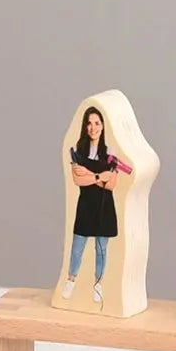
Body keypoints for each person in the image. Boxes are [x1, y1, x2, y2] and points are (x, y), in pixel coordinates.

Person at [60, 105, 132, 304]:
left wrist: (90, 175)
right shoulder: (78, 152)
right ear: (85, 127)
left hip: (104, 207)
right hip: (85, 206)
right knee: (77, 248)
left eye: (97, 123)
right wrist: (100, 176)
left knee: (101, 249)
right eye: (89, 123)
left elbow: (111, 185)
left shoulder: (109, 153)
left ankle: (98, 284)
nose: (93, 128)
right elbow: (78, 180)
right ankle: (70, 280)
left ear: (102, 126)